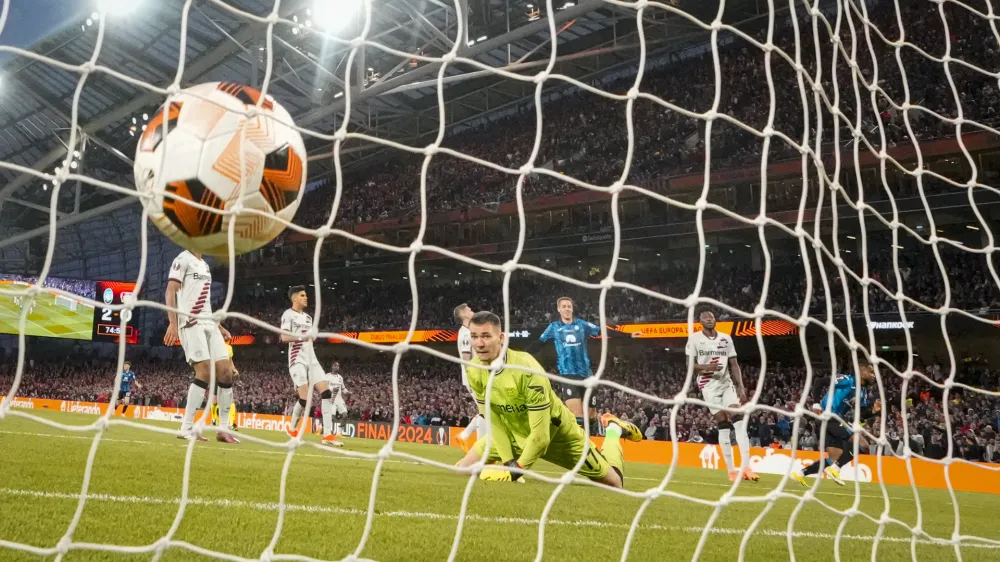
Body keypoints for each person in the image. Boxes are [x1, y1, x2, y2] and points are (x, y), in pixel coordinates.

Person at [455, 311, 641, 488]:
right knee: (462, 470)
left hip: (558, 437)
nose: (479, 343)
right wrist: (508, 461)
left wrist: (515, 471)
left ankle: (614, 430)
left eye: (486, 336)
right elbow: (493, 418)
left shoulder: (526, 369)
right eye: (474, 336)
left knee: (615, 483)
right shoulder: (474, 369)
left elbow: (541, 437)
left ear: (501, 338)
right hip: (514, 434)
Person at [526, 297, 640, 428]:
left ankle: (591, 428)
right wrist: (521, 354)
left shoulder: (582, 325)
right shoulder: (554, 327)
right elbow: (539, 344)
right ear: (559, 309)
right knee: (578, 419)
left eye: (569, 306)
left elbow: (603, 331)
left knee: (591, 419)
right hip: (569, 376)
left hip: (587, 375)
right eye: (564, 306)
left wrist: (628, 334)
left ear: (572, 308)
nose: (567, 309)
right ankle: (580, 445)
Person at [164, 249, 238, 444]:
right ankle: (186, 428)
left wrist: (219, 326)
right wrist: (172, 322)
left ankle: (223, 429)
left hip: (209, 323)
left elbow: (205, 301)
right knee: (204, 371)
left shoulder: (205, 265)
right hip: (190, 322)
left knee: (225, 372)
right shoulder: (182, 258)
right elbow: (171, 290)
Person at [685, 309, 758, 482]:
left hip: (726, 384)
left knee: (738, 418)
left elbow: (734, 364)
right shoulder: (694, 339)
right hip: (708, 386)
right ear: (700, 321)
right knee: (723, 422)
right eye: (705, 317)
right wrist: (705, 368)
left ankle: (747, 468)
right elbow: (689, 365)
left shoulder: (726, 338)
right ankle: (731, 471)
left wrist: (741, 386)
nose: (709, 319)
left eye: (711, 317)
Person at [792, 361, 879, 486]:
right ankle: (836, 469)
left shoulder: (863, 393)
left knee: (834, 456)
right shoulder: (847, 380)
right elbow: (819, 382)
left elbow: (862, 414)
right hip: (829, 415)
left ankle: (800, 474)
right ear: (861, 371)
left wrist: (873, 411)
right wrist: (816, 403)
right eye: (871, 372)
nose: (873, 375)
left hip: (833, 420)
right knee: (863, 445)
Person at [281, 285, 343, 447]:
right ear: (294, 298)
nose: (305, 297)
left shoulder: (308, 318)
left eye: (306, 295)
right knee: (305, 398)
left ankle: (327, 435)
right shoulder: (288, 315)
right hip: (297, 360)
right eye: (302, 295)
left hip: (311, 359)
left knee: (327, 393)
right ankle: (292, 428)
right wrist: (303, 336)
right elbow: (284, 337)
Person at [453, 303, 485, 451]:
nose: (472, 311)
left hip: (478, 377)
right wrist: (473, 379)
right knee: (486, 412)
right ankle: (480, 449)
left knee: (486, 411)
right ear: (464, 315)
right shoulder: (465, 333)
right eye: (469, 310)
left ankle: (465, 436)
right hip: (474, 379)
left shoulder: (469, 331)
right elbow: (466, 358)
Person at [326, 360, 349, 438]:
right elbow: (324, 387)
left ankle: (339, 433)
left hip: (339, 398)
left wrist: (347, 392)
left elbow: (343, 388)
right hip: (331, 399)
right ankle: (329, 433)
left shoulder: (340, 377)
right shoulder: (327, 376)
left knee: (345, 415)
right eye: (336, 365)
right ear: (332, 366)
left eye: (338, 366)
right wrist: (329, 391)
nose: (337, 367)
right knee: (332, 418)